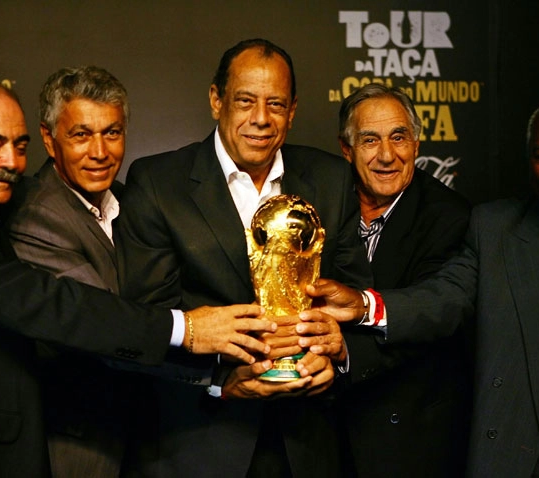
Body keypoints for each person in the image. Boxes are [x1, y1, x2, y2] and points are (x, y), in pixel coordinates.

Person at [0, 77, 276, 478]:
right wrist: (190, 332)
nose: (12, 162)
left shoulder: (128, 200)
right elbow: (57, 307)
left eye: (19, 146)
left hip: (149, 439)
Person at [309, 96, 539, 477]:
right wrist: (365, 305)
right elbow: (444, 298)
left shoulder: (445, 213)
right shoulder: (497, 230)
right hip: (531, 451)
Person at [116, 38, 371, 477]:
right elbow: (146, 321)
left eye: (276, 104)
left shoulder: (330, 180)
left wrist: (336, 355)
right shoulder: (159, 183)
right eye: (245, 101)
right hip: (199, 444)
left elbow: (353, 300)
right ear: (217, 101)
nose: (260, 119)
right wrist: (219, 381)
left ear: (292, 111)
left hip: (306, 445)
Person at [4, 66, 136, 478]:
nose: (100, 151)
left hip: (147, 439)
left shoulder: (132, 203)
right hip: (81, 448)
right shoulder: (36, 216)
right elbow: (109, 323)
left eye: (111, 133)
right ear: (49, 138)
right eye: (81, 135)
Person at [334, 83, 471, 477]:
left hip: (408, 439)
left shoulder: (450, 216)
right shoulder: (323, 202)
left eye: (399, 137)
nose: (387, 155)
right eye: (370, 140)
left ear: (416, 143)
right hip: (325, 428)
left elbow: (429, 319)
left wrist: (343, 351)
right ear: (347, 150)